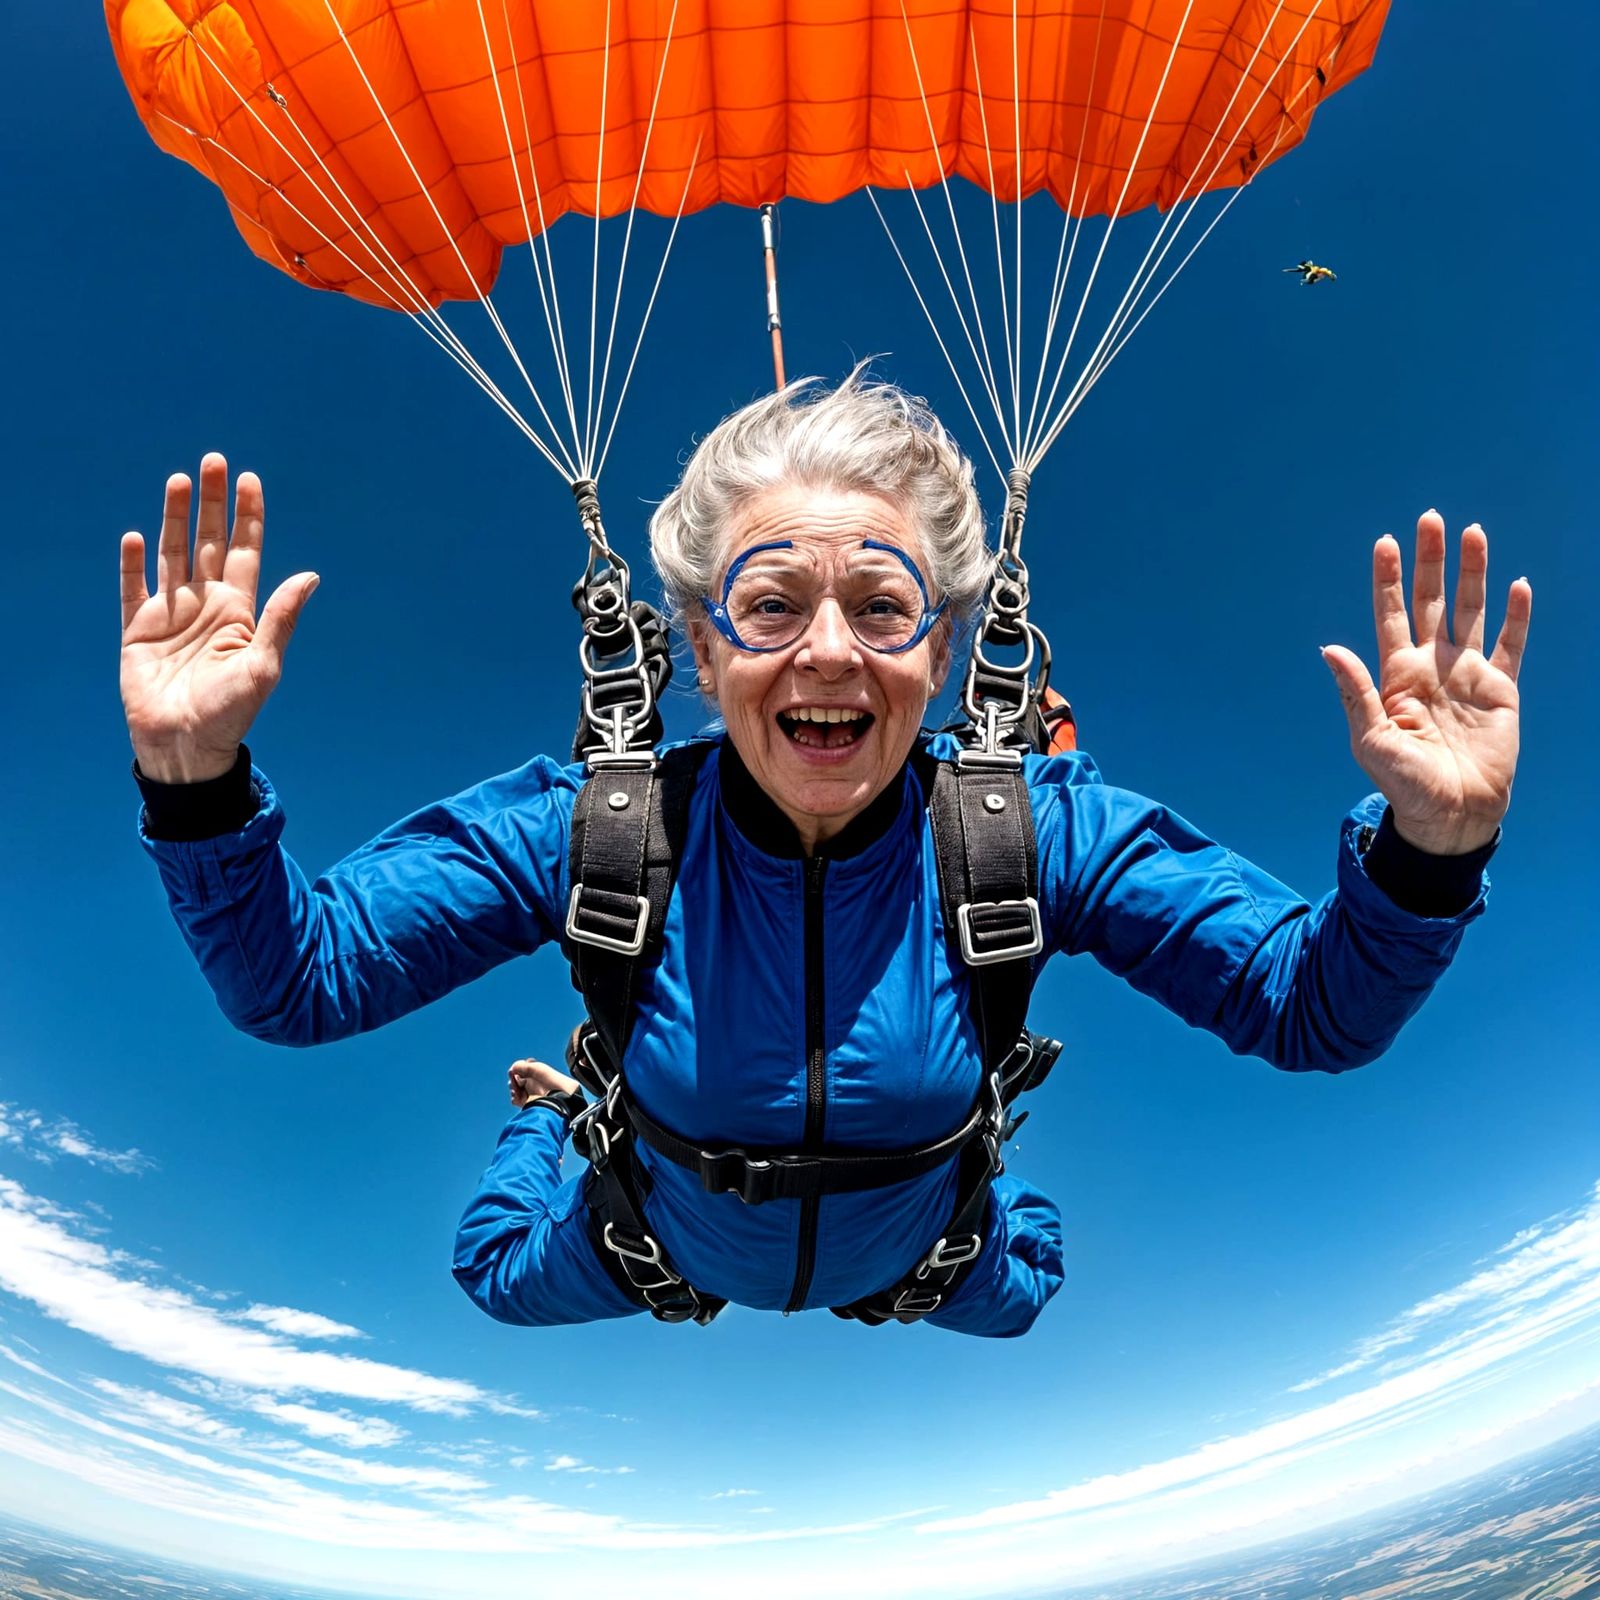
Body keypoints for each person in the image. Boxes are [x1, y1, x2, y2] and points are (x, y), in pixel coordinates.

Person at [120, 375, 1531, 1338]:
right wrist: (193, 779)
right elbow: (296, 984)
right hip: (654, 1236)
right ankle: (554, 1113)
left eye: (883, 599)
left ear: (947, 642)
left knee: (1029, 1287)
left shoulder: (1032, 831)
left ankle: (956, 1153)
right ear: (696, 643)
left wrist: (1433, 842)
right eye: (772, 599)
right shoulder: (596, 830)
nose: (832, 648)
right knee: (491, 1271)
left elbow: (1311, 1008)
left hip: (929, 1248)